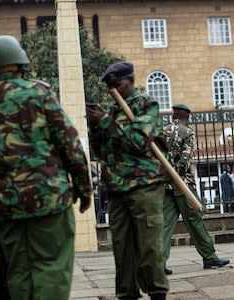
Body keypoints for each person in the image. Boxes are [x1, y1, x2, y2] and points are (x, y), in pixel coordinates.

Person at [0, 35, 92, 300]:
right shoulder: (38, 92)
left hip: (5, 205)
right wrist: (84, 189)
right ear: (20, 64)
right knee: (51, 266)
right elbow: (70, 144)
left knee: (18, 271)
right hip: (48, 198)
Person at [86, 61, 168, 300]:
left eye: (117, 84)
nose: (113, 90)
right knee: (122, 251)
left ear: (130, 81)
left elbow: (139, 142)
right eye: (110, 86)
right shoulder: (110, 112)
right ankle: (127, 294)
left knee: (149, 247)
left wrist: (105, 123)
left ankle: (157, 292)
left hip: (144, 186)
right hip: (116, 188)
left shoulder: (146, 105)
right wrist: (95, 129)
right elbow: (101, 153)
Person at [162, 104, 229, 275]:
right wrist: (179, 173)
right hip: (183, 185)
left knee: (165, 225)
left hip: (165, 184)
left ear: (173, 115)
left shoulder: (163, 131)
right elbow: (185, 159)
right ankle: (210, 257)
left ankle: (157, 263)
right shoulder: (187, 132)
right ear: (186, 116)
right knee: (195, 221)